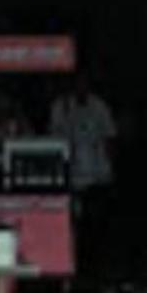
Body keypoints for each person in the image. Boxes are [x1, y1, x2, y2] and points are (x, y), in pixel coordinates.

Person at [47, 73, 118, 277]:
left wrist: (109, 170)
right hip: (70, 177)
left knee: (96, 227)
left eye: (84, 83)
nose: (81, 87)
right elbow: (54, 140)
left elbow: (109, 138)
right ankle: (74, 270)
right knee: (73, 227)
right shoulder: (60, 107)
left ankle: (97, 271)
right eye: (77, 83)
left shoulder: (99, 107)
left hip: (97, 176)